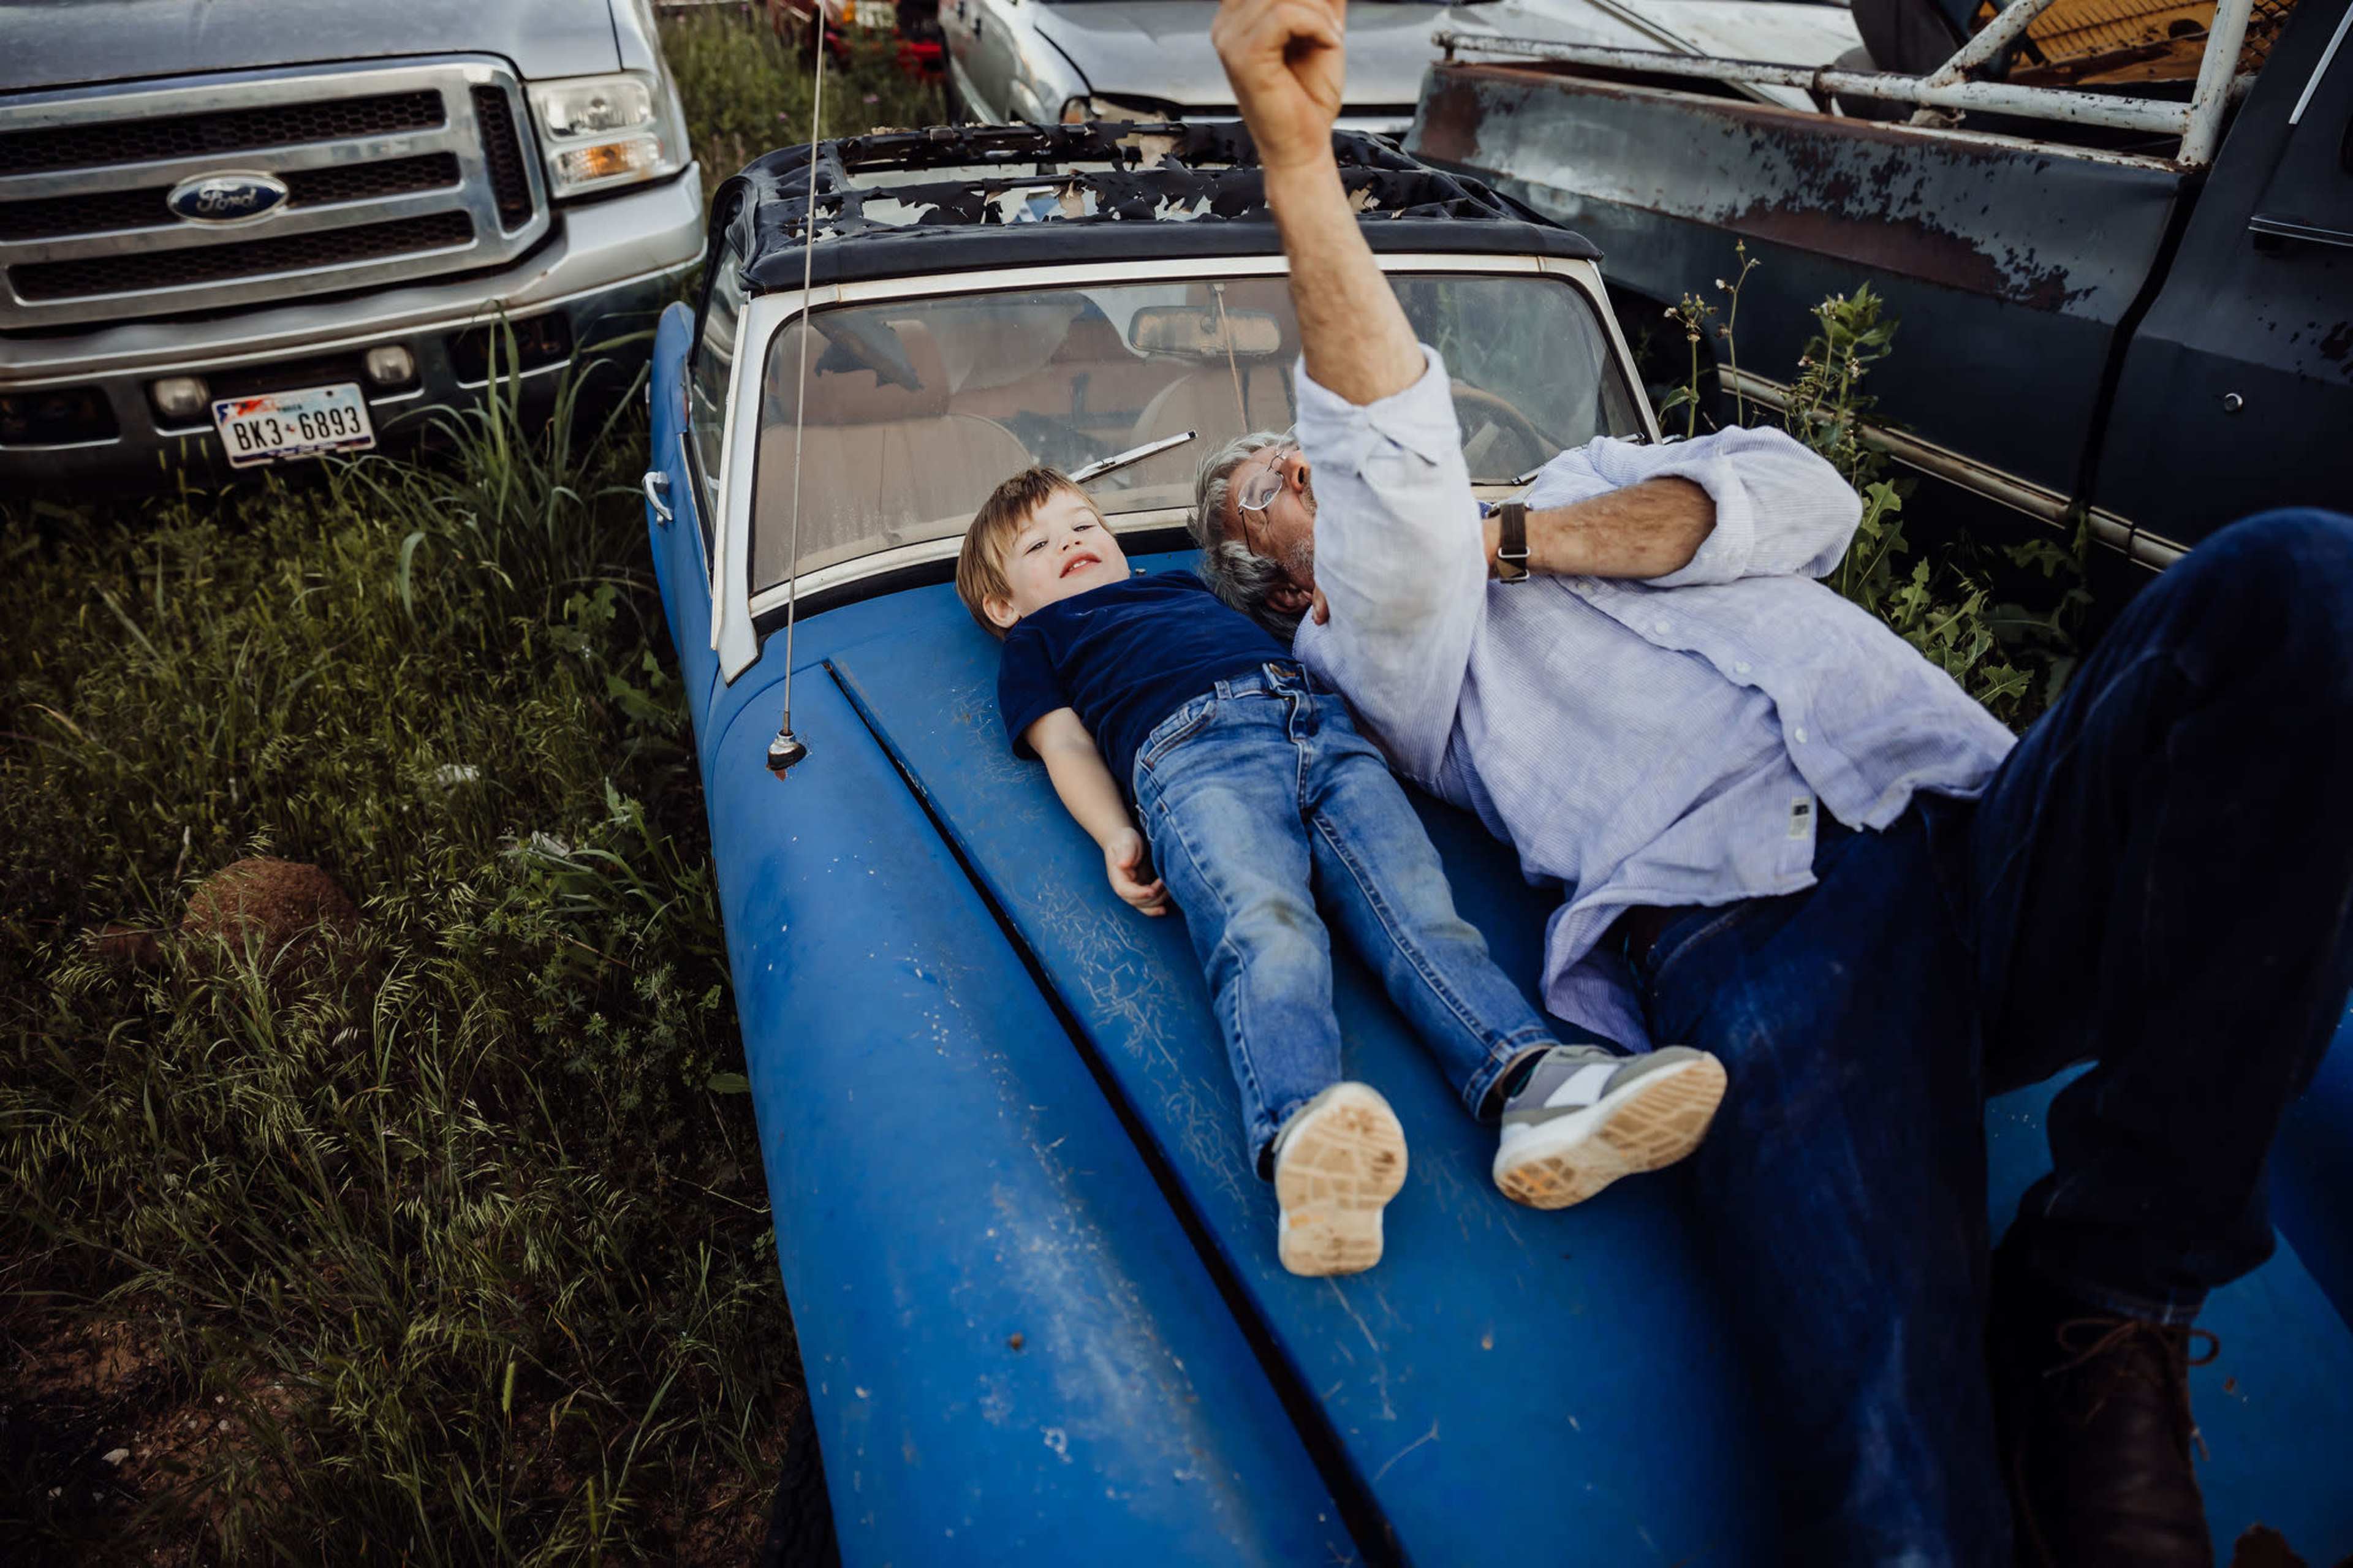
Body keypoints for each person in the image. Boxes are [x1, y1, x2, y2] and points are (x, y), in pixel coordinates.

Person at [1205, 0, 2353, 1558]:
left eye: (1296, 456)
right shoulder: (1382, 650)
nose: (1306, 470)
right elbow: (1394, 477)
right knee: (1890, 1489)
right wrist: (1297, 153)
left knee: (2299, 586)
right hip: (1759, 924)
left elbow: (1800, 498)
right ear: (1293, 587)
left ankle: (2108, 1287)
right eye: (1285, 488)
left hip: (1968, 812)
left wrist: (1530, 531)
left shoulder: (1583, 478)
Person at [952, 464, 1729, 1276]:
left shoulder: (1183, 589)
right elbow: (1064, 742)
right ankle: (1304, 1138)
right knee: (1262, 925)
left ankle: (1535, 1088)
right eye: (1039, 544)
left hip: (1323, 731)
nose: (1073, 541)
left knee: (1423, 913)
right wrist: (1114, 831)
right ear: (1004, 606)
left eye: (1083, 524)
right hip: (1190, 754)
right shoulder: (1043, 639)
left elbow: (1310, 618)